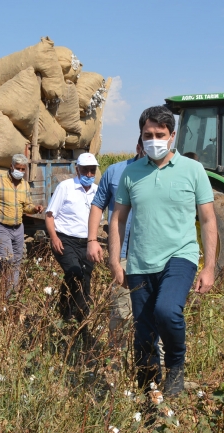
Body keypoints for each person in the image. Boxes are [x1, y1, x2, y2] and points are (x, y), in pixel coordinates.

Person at [109, 106, 217, 396]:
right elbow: (118, 218)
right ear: (141, 136)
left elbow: (207, 219)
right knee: (143, 336)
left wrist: (209, 267)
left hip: (180, 256)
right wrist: (116, 261)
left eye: (160, 134)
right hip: (140, 262)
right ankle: (148, 395)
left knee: (167, 311)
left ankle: (176, 366)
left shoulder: (193, 170)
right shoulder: (131, 173)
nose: (153, 139)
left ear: (171, 137)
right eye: (148, 135)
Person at [87, 138, 143, 348]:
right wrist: (92, 239)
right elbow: (97, 205)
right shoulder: (116, 172)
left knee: (154, 312)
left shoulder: (164, 172)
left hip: (154, 255)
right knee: (121, 310)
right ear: (138, 147)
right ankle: (116, 361)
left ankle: (150, 362)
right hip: (123, 253)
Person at [45, 153, 98, 343]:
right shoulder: (65, 187)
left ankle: (77, 321)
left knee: (85, 283)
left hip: (87, 242)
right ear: (77, 169)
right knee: (75, 273)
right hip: (66, 239)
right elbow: (50, 215)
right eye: (85, 170)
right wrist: (54, 238)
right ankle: (68, 313)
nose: (89, 173)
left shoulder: (97, 191)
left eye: (92, 170)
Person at [0, 154, 43, 295]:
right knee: (7, 259)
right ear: (11, 167)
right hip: (2, 226)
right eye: (18, 168)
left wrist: (35, 208)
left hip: (18, 228)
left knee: (17, 261)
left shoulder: (24, 185)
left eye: (23, 169)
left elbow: (27, 205)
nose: (20, 171)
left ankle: (11, 293)